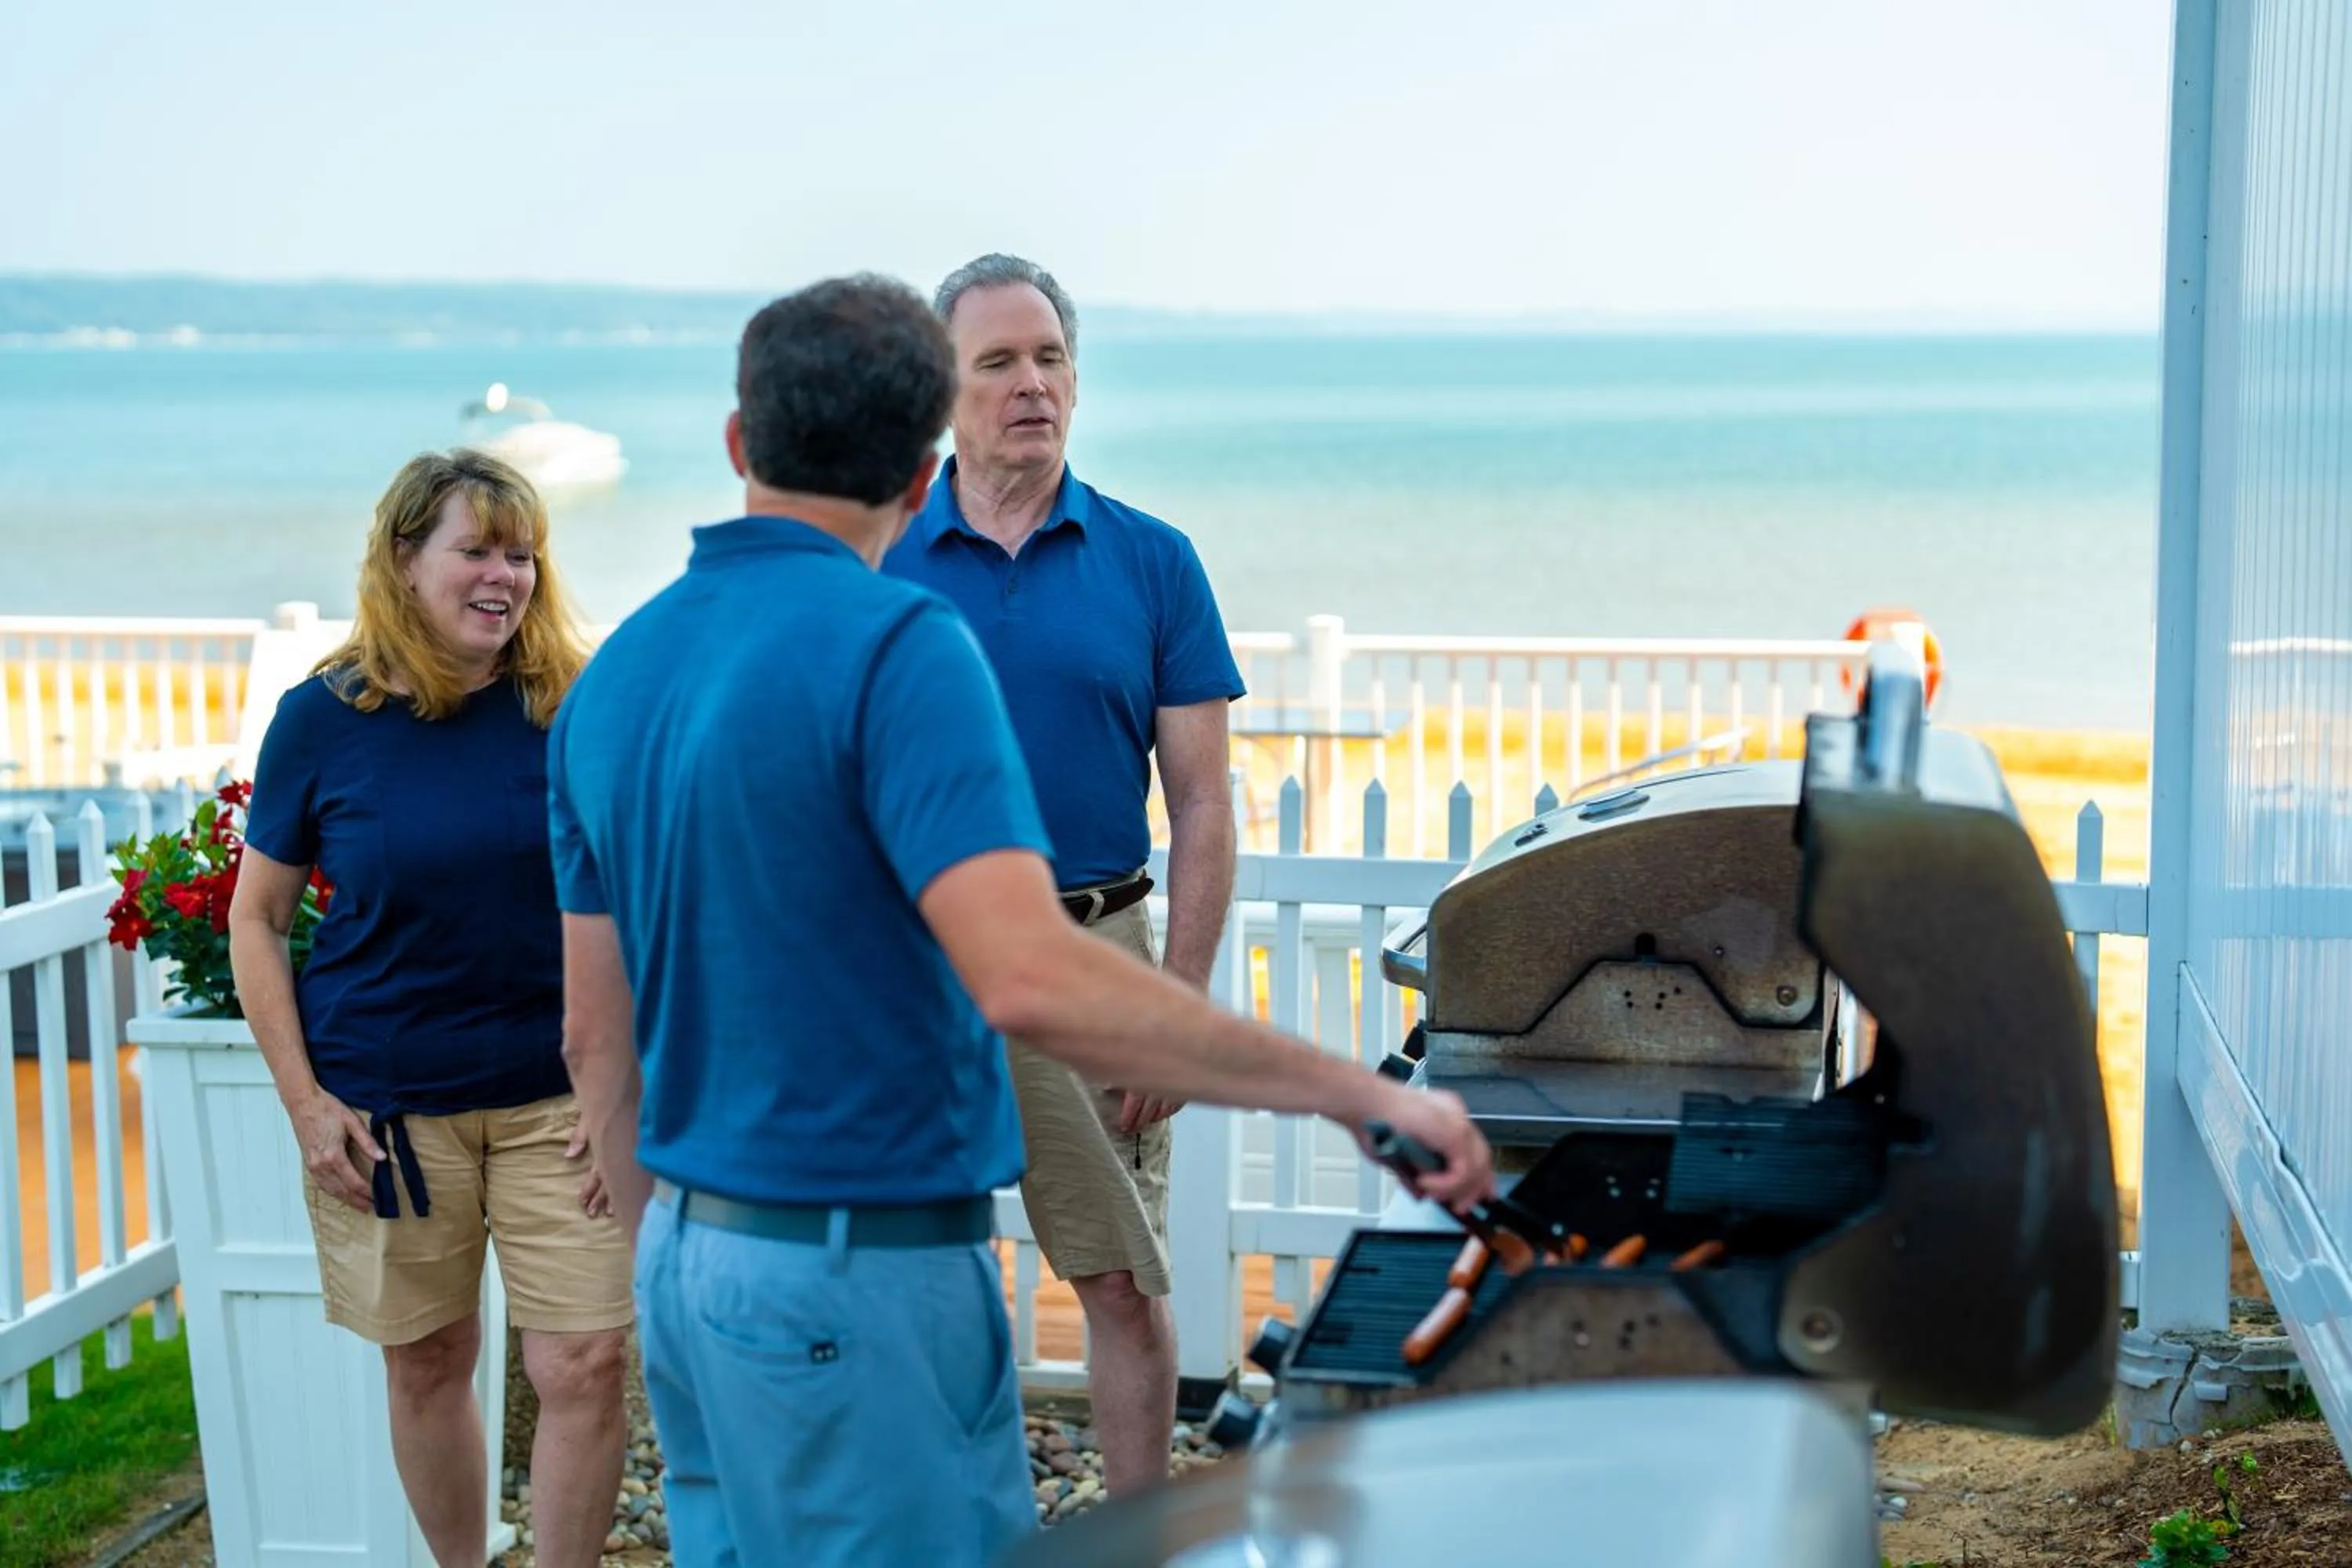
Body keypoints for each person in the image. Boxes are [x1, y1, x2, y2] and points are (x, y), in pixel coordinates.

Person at [550, 274, 1495, 1568]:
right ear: (930, 450)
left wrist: (672, 1249)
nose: (1033, 385)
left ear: (736, 444)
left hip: (688, 1270)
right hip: (861, 1280)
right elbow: (1029, 979)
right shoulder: (900, 644)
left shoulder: (619, 676)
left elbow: (594, 1037)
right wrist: (1355, 1091)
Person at [228, 451, 632, 1568]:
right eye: (476, 550)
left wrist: (626, 1086)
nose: (505, 575)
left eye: (521, 553)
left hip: (564, 1099)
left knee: (585, 1363)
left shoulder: (573, 703)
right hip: (387, 1109)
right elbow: (255, 922)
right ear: (405, 560)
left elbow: (647, 903)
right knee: (428, 1359)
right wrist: (307, 1105)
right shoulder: (322, 718)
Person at [880, 252, 1240, 1497]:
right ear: (943, 390)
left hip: (1095, 956)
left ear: (1076, 385)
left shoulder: (1153, 561)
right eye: (998, 362)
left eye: (1050, 359)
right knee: (913, 1278)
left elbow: (1200, 801)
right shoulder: (877, 560)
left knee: (1121, 1286)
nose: (1030, 384)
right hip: (910, 972)